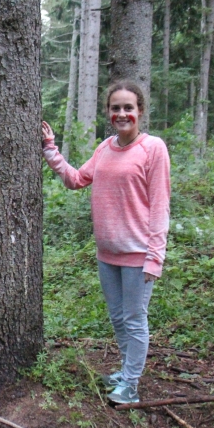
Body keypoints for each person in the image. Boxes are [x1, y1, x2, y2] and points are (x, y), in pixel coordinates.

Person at [41, 81, 171, 405]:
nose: (122, 114)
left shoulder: (153, 148)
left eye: (128, 107)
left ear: (140, 111)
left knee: (134, 319)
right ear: (108, 112)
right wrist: (50, 150)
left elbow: (160, 205)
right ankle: (126, 372)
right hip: (107, 254)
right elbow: (76, 180)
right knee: (118, 318)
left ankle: (131, 385)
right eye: (115, 108)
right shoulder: (104, 148)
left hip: (138, 253)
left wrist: (155, 257)